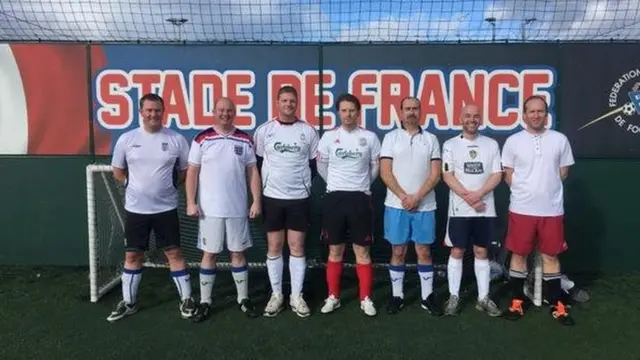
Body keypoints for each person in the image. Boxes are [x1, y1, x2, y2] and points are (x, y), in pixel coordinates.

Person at [106, 93, 195, 322]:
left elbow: (185, 172)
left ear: (163, 112)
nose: (153, 114)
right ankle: (129, 303)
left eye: (157, 110)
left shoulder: (176, 139)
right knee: (133, 255)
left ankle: (186, 299)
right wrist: (135, 187)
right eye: (149, 110)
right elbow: (118, 171)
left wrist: (167, 187)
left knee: (174, 253)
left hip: (166, 209)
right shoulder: (127, 139)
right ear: (141, 112)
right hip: (136, 210)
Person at [185, 97, 262, 322]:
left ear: (234, 112)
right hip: (210, 210)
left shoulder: (244, 139)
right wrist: (191, 201)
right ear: (214, 112)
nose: (225, 114)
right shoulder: (202, 138)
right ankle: (206, 301)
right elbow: (192, 172)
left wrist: (256, 200)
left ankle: (243, 299)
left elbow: (252, 172)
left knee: (238, 253)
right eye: (221, 110)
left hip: (237, 208)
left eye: (229, 110)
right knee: (209, 254)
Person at [501, 95, 576, 326]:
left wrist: (545, 190)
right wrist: (527, 191)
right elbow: (508, 174)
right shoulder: (513, 141)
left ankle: (557, 304)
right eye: (531, 111)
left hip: (551, 210)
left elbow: (563, 172)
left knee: (551, 256)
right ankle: (516, 301)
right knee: (519, 255)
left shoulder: (560, 140)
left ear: (546, 114)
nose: (536, 115)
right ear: (524, 115)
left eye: (540, 111)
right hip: (522, 209)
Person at [253, 86, 319, 318]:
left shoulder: (308, 131)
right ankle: (277, 294)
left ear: (297, 103)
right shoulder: (264, 131)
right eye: (284, 100)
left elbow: (314, 167)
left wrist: (299, 184)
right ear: (277, 103)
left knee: (297, 247)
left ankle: (296, 296)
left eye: (292, 101)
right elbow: (258, 165)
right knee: (274, 247)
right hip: (272, 198)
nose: (288, 104)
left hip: (299, 199)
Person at [316, 93, 381, 317]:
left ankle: (365, 298)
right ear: (338, 113)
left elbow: (375, 168)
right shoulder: (328, 137)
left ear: (358, 112)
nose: (348, 114)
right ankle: (333, 296)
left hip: (360, 198)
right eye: (343, 110)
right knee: (335, 250)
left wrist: (360, 186)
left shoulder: (370, 137)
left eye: (352, 110)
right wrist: (336, 185)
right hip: (335, 198)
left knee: (362, 251)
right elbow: (321, 166)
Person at [379, 96, 443, 316]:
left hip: (424, 206)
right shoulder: (390, 138)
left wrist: (417, 197)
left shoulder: (432, 139)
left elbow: (435, 175)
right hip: (396, 206)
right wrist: (404, 197)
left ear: (420, 111)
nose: (411, 112)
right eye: (407, 108)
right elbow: (385, 172)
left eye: (415, 108)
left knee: (424, 251)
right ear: (400, 112)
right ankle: (397, 296)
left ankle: (427, 297)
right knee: (398, 251)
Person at [440, 104, 503, 317]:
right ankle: (454, 296)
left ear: (480, 119)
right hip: (459, 209)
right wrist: (470, 197)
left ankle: (483, 298)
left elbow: (497, 174)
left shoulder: (491, 144)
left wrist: (479, 195)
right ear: (461, 118)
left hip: (485, 209)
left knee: (481, 251)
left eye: (476, 116)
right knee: (457, 250)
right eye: (467, 115)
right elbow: (448, 176)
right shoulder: (450, 145)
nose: (472, 119)